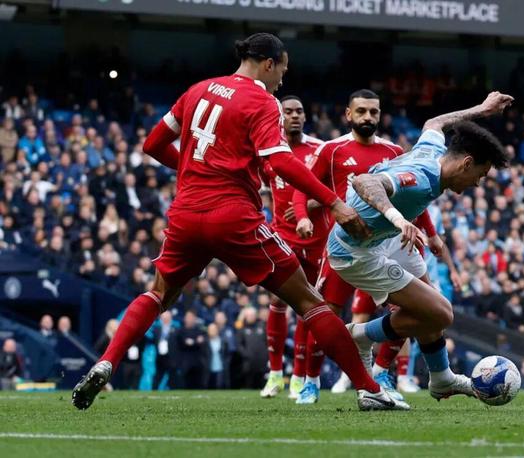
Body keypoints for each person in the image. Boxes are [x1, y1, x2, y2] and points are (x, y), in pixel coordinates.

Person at [72, 33, 404, 411]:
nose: (281, 80)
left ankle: (106, 361)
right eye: (282, 71)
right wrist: (334, 202)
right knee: (309, 301)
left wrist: (193, 171)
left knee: (158, 294)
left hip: (186, 213)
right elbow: (280, 161)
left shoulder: (198, 90)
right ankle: (369, 389)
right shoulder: (262, 100)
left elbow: (153, 144)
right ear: (269, 64)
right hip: (233, 215)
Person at [329, 91, 514, 401]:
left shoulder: (433, 151)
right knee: (441, 314)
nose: (477, 184)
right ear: (466, 163)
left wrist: (482, 109)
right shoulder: (422, 178)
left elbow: (434, 122)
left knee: (430, 308)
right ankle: (359, 335)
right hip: (356, 252)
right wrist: (399, 219)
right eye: (480, 175)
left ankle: (441, 379)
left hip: (384, 238)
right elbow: (364, 182)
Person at [291, 89, 442, 402]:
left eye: (373, 112)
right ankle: (311, 380)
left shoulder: (393, 151)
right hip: (345, 247)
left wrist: (431, 233)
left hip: (385, 245)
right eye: (361, 111)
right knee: (324, 311)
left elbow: (414, 198)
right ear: (348, 114)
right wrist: (303, 217)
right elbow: (303, 186)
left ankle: (382, 371)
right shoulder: (332, 150)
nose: (367, 117)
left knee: (410, 308)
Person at [258, 95, 325, 400]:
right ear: (280, 116)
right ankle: (275, 375)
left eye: (299, 111)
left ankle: (298, 377)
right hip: (281, 236)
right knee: (277, 301)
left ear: (305, 116)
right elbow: (260, 186)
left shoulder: (320, 149)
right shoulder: (270, 151)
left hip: (315, 238)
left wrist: (309, 205)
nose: (295, 116)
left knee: (307, 306)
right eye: (288, 112)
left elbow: (335, 190)